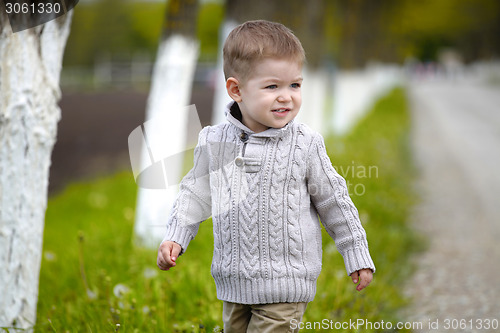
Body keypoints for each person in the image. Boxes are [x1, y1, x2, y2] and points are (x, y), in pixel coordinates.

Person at [157, 20, 375, 333]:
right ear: (236, 90)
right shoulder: (214, 141)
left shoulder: (305, 143)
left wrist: (356, 251)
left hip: (286, 284)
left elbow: (334, 201)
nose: (286, 97)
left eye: (295, 85)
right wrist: (176, 235)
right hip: (233, 284)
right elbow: (196, 193)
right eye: (273, 87)